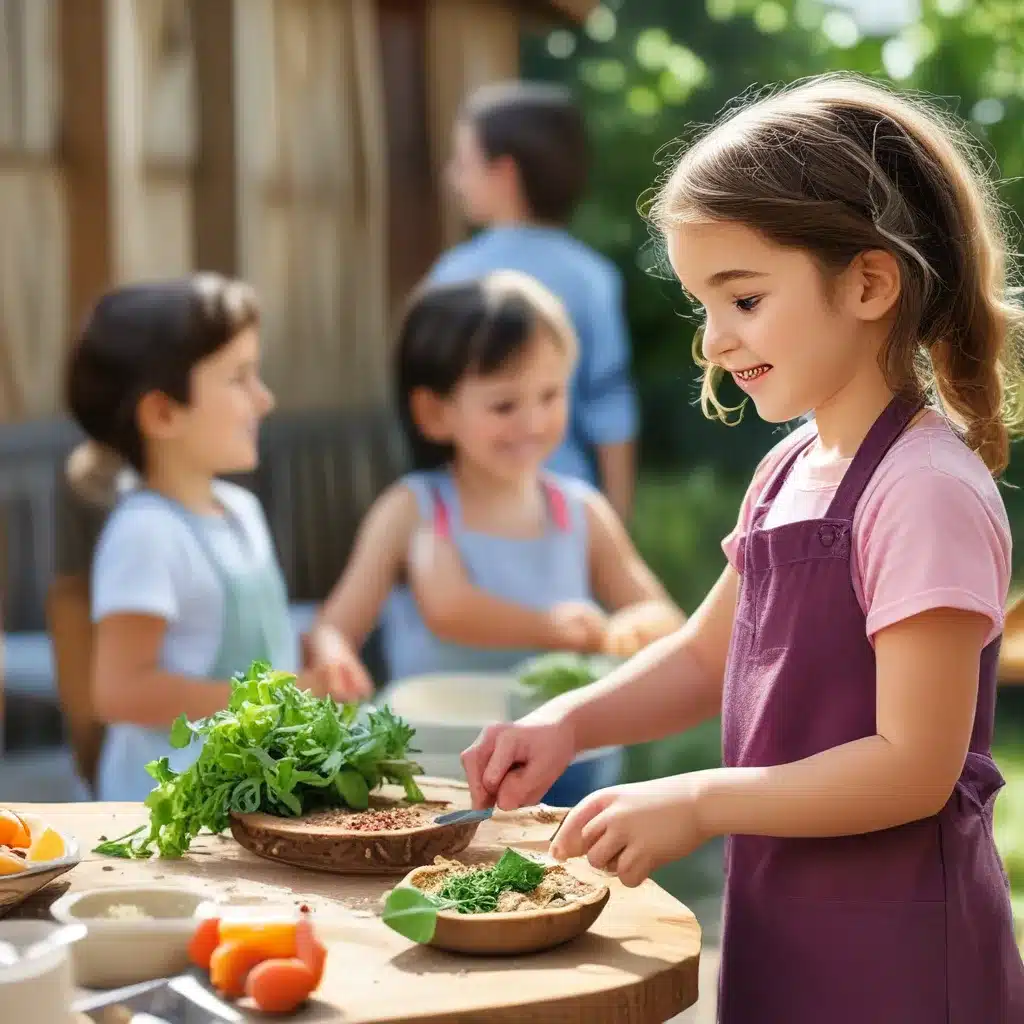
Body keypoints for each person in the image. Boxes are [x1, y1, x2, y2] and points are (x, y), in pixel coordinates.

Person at [460, 75, 1024, 1023]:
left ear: (870, 283)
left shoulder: (924, 492)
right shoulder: (792, 468)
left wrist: (696, 803)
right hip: (784, 925)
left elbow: (913, 765)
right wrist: (570, 723)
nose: (716, 341)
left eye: (746, 299)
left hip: (900, 960)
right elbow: (705, 655)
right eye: (702, 306)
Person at [65, 274, 370, 802]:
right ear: (162, 413)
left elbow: (255, 637)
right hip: (171, 813)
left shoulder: (241, 510)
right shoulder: (146, 534)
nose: (265, 398)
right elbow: (119, 691)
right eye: (240, 378)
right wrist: (284, 694)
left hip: (245, 797)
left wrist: (320, 644)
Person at [307, 269, 683, 690]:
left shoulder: (580, 512)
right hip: (444, 752)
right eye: (504, 405)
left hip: (575, 752)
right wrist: (334, 657)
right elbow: (347, 626)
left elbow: (666, 619)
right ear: (435, 414)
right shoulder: (414, 510)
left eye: (550, 395)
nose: (534, 422)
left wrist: (630, 629)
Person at [429, 80, 639, 522]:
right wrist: (616, 517)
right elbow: (610, 403)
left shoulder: (452, 277)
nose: (453, 177)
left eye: (464, 163)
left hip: (470, 504)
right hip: (568, 507)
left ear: (505, 173)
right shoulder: (593, 276)